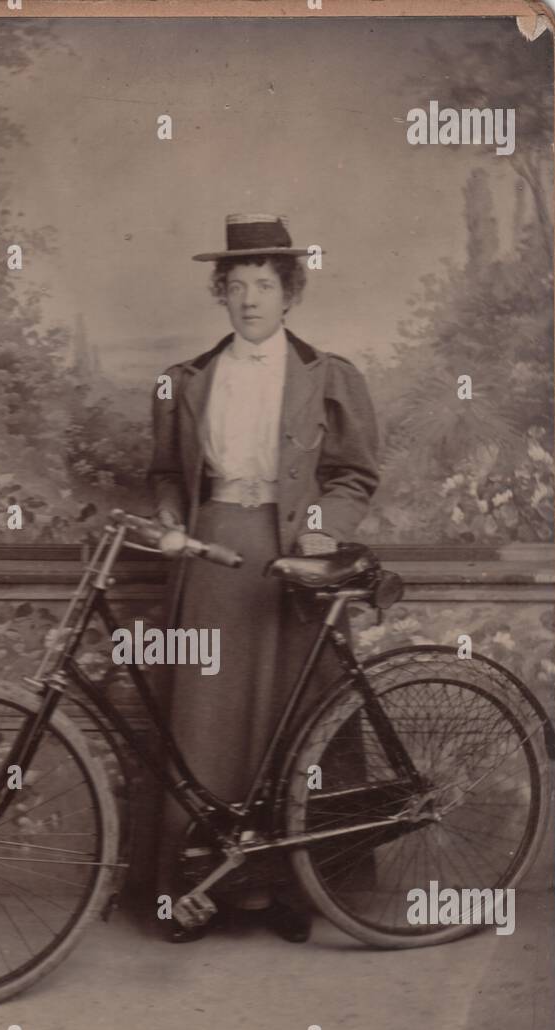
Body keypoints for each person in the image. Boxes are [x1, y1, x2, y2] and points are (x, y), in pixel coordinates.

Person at [149, 213, 379, 943]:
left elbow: (353, 475)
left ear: (289, 295)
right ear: (221, 294)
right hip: (212, 558)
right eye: (237, 285)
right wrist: (172, 526)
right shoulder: (184, 381)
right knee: (203, 729)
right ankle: (194, 893)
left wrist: (323, 528)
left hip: (289, 564)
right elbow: (163, 475)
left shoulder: (329, 376)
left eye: (265, 284)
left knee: (289, 725)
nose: (250, 299)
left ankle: (285, 888)